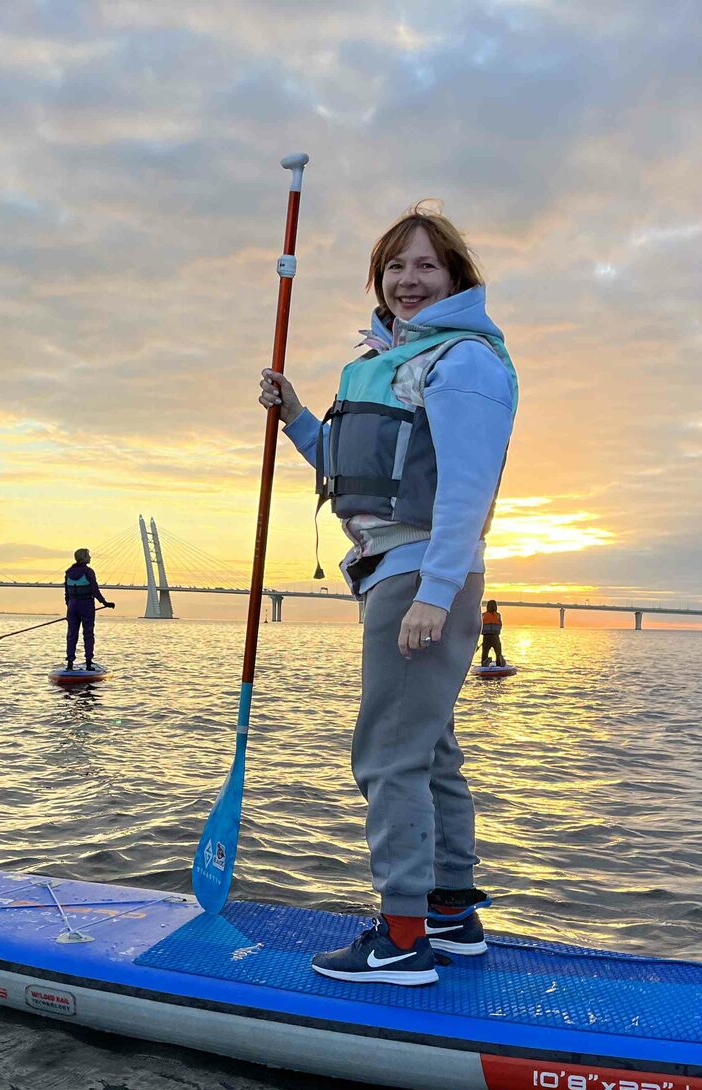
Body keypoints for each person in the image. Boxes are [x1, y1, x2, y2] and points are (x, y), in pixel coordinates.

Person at [258, 203, 518, 986]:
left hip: (421, 575)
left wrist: (434, 595)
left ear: (456, 279)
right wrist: (298, 416)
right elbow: (355, 472)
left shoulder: (463, 360)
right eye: (395, 266)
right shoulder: (387, 360)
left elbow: (468, 490)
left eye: (426, 266)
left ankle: (402, 939)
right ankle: (450, 915)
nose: (409, 280)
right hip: (393, 570)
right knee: (429, 749)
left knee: (387, 756)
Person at [62, 548, 114, 670]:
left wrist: (69, 608)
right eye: (88, 555)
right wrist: (105, 603)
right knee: (88, 634)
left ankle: (70, 664)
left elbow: (67, 594)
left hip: (72, 606)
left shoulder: (68, 572)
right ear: (84, 558)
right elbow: (95, 590)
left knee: (71, 635)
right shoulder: (89, 571)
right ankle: (89, 664)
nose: (90, 557)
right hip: (86, 605)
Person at [479, 599, 506, 667]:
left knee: (485, 652)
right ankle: (499, 662)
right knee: (498, 652)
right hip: (495, 637)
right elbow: (500, 625)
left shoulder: (483, 615)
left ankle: (484, 662)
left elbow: (479, 626)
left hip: (486, 637)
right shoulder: (498, 615)